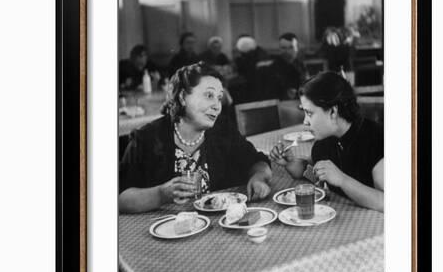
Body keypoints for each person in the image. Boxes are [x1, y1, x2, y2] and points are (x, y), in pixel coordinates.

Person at [119, 62, 272, 213]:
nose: (217, 106)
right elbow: (121, 199)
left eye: (219, 98)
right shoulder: (146, 138)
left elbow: (258, 161)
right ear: (182, 97)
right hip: (165, 228)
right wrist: (160, 194)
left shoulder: (223, 131)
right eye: (209, 95)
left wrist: (258, 178)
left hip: (216, 227)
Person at [270, 71, 383, 211]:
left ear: (333, 112)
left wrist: (342, 180)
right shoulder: (323, 143)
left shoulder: (376, 139)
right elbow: (314, 173)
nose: (305, 121)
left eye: (309, 113)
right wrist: (292, 164)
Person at [269, 33, 307, 99]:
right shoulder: (273, 69)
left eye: (291, 47)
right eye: (283, 48)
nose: (287, 51)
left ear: (297, 48)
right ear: (279, 49)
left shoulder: (300, 65)